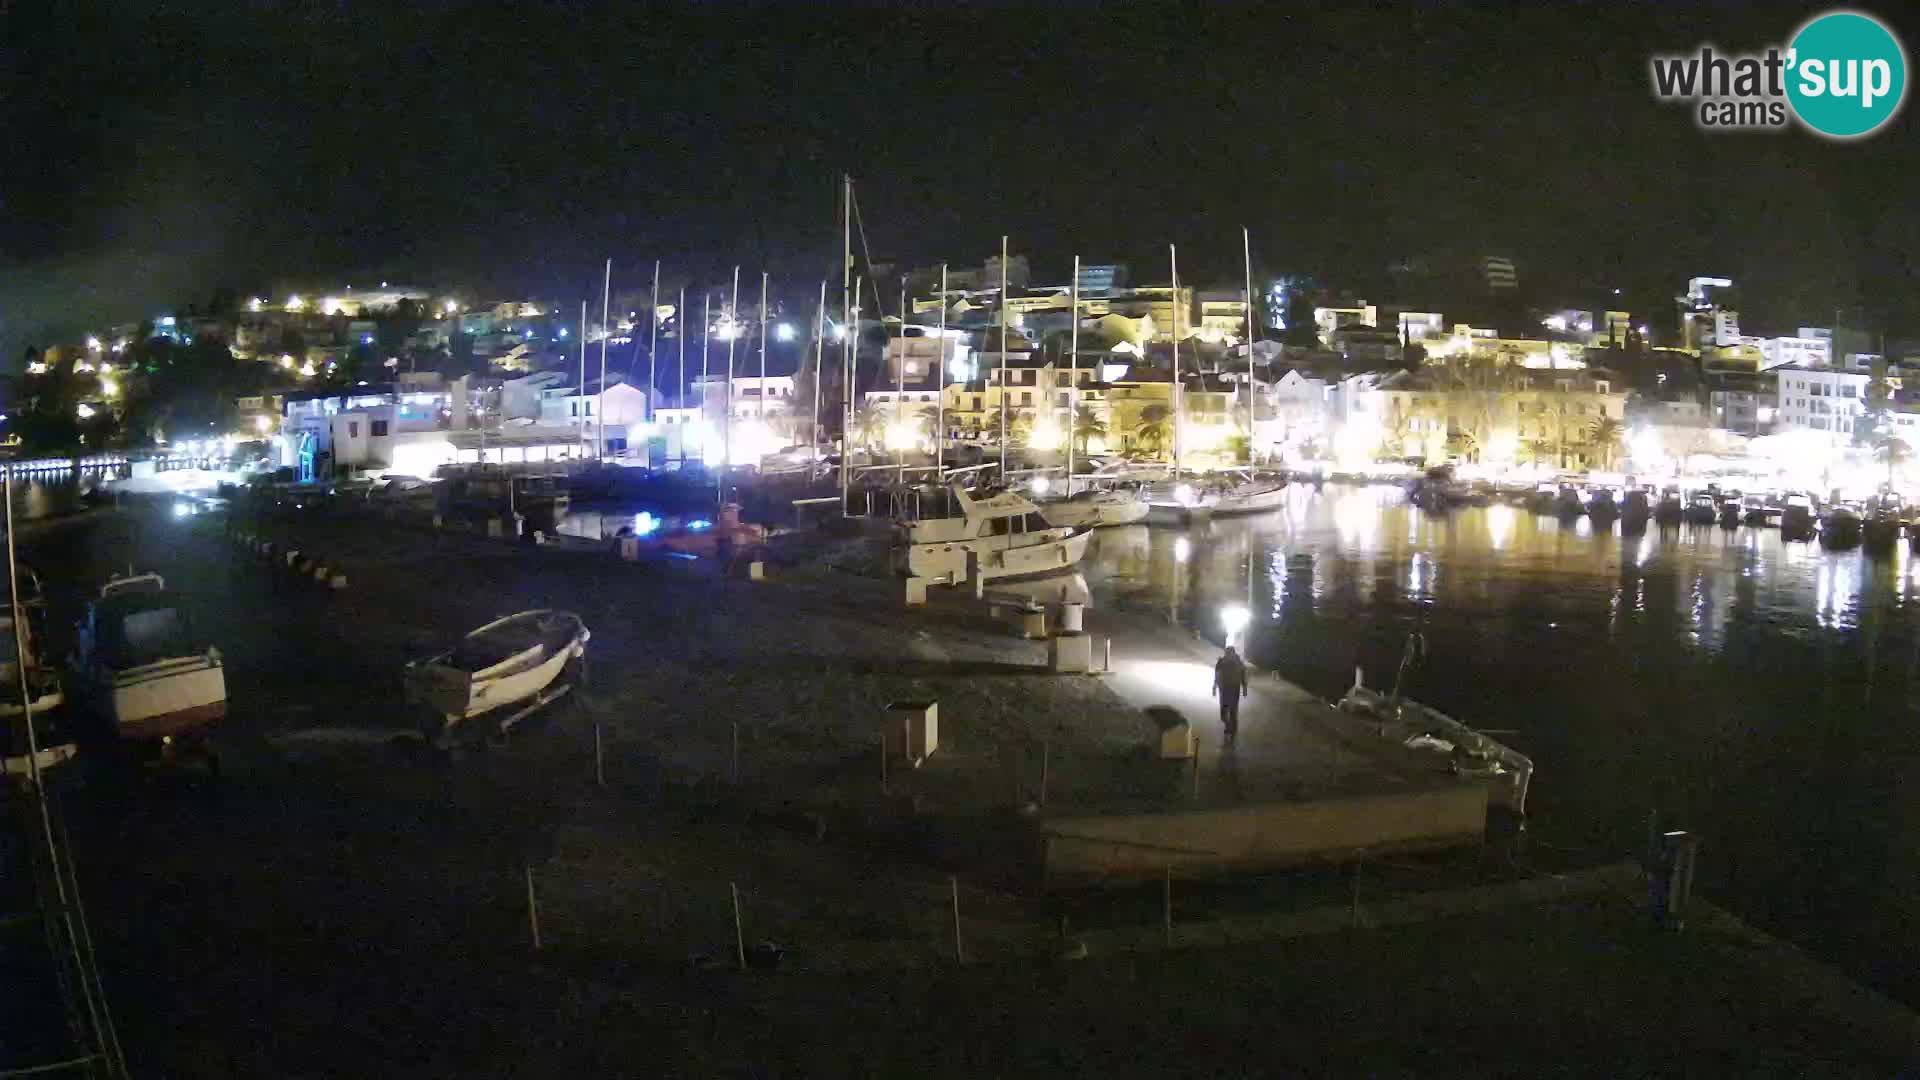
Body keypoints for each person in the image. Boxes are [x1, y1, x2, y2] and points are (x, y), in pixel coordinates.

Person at [1212, 645, 1247, 745]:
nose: (1228, 654)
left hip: (1231, 690)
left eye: (1228, 652)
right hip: (1226, 690)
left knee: (1230, 711)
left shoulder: (1236, 662)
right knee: (1228, 711)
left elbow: (1244, 673)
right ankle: (1230, 727)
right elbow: (1217, 674)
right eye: (1227, 653)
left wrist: (1244, 687)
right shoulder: (1223, 662)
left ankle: (1231, 730)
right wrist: (1214, 686)